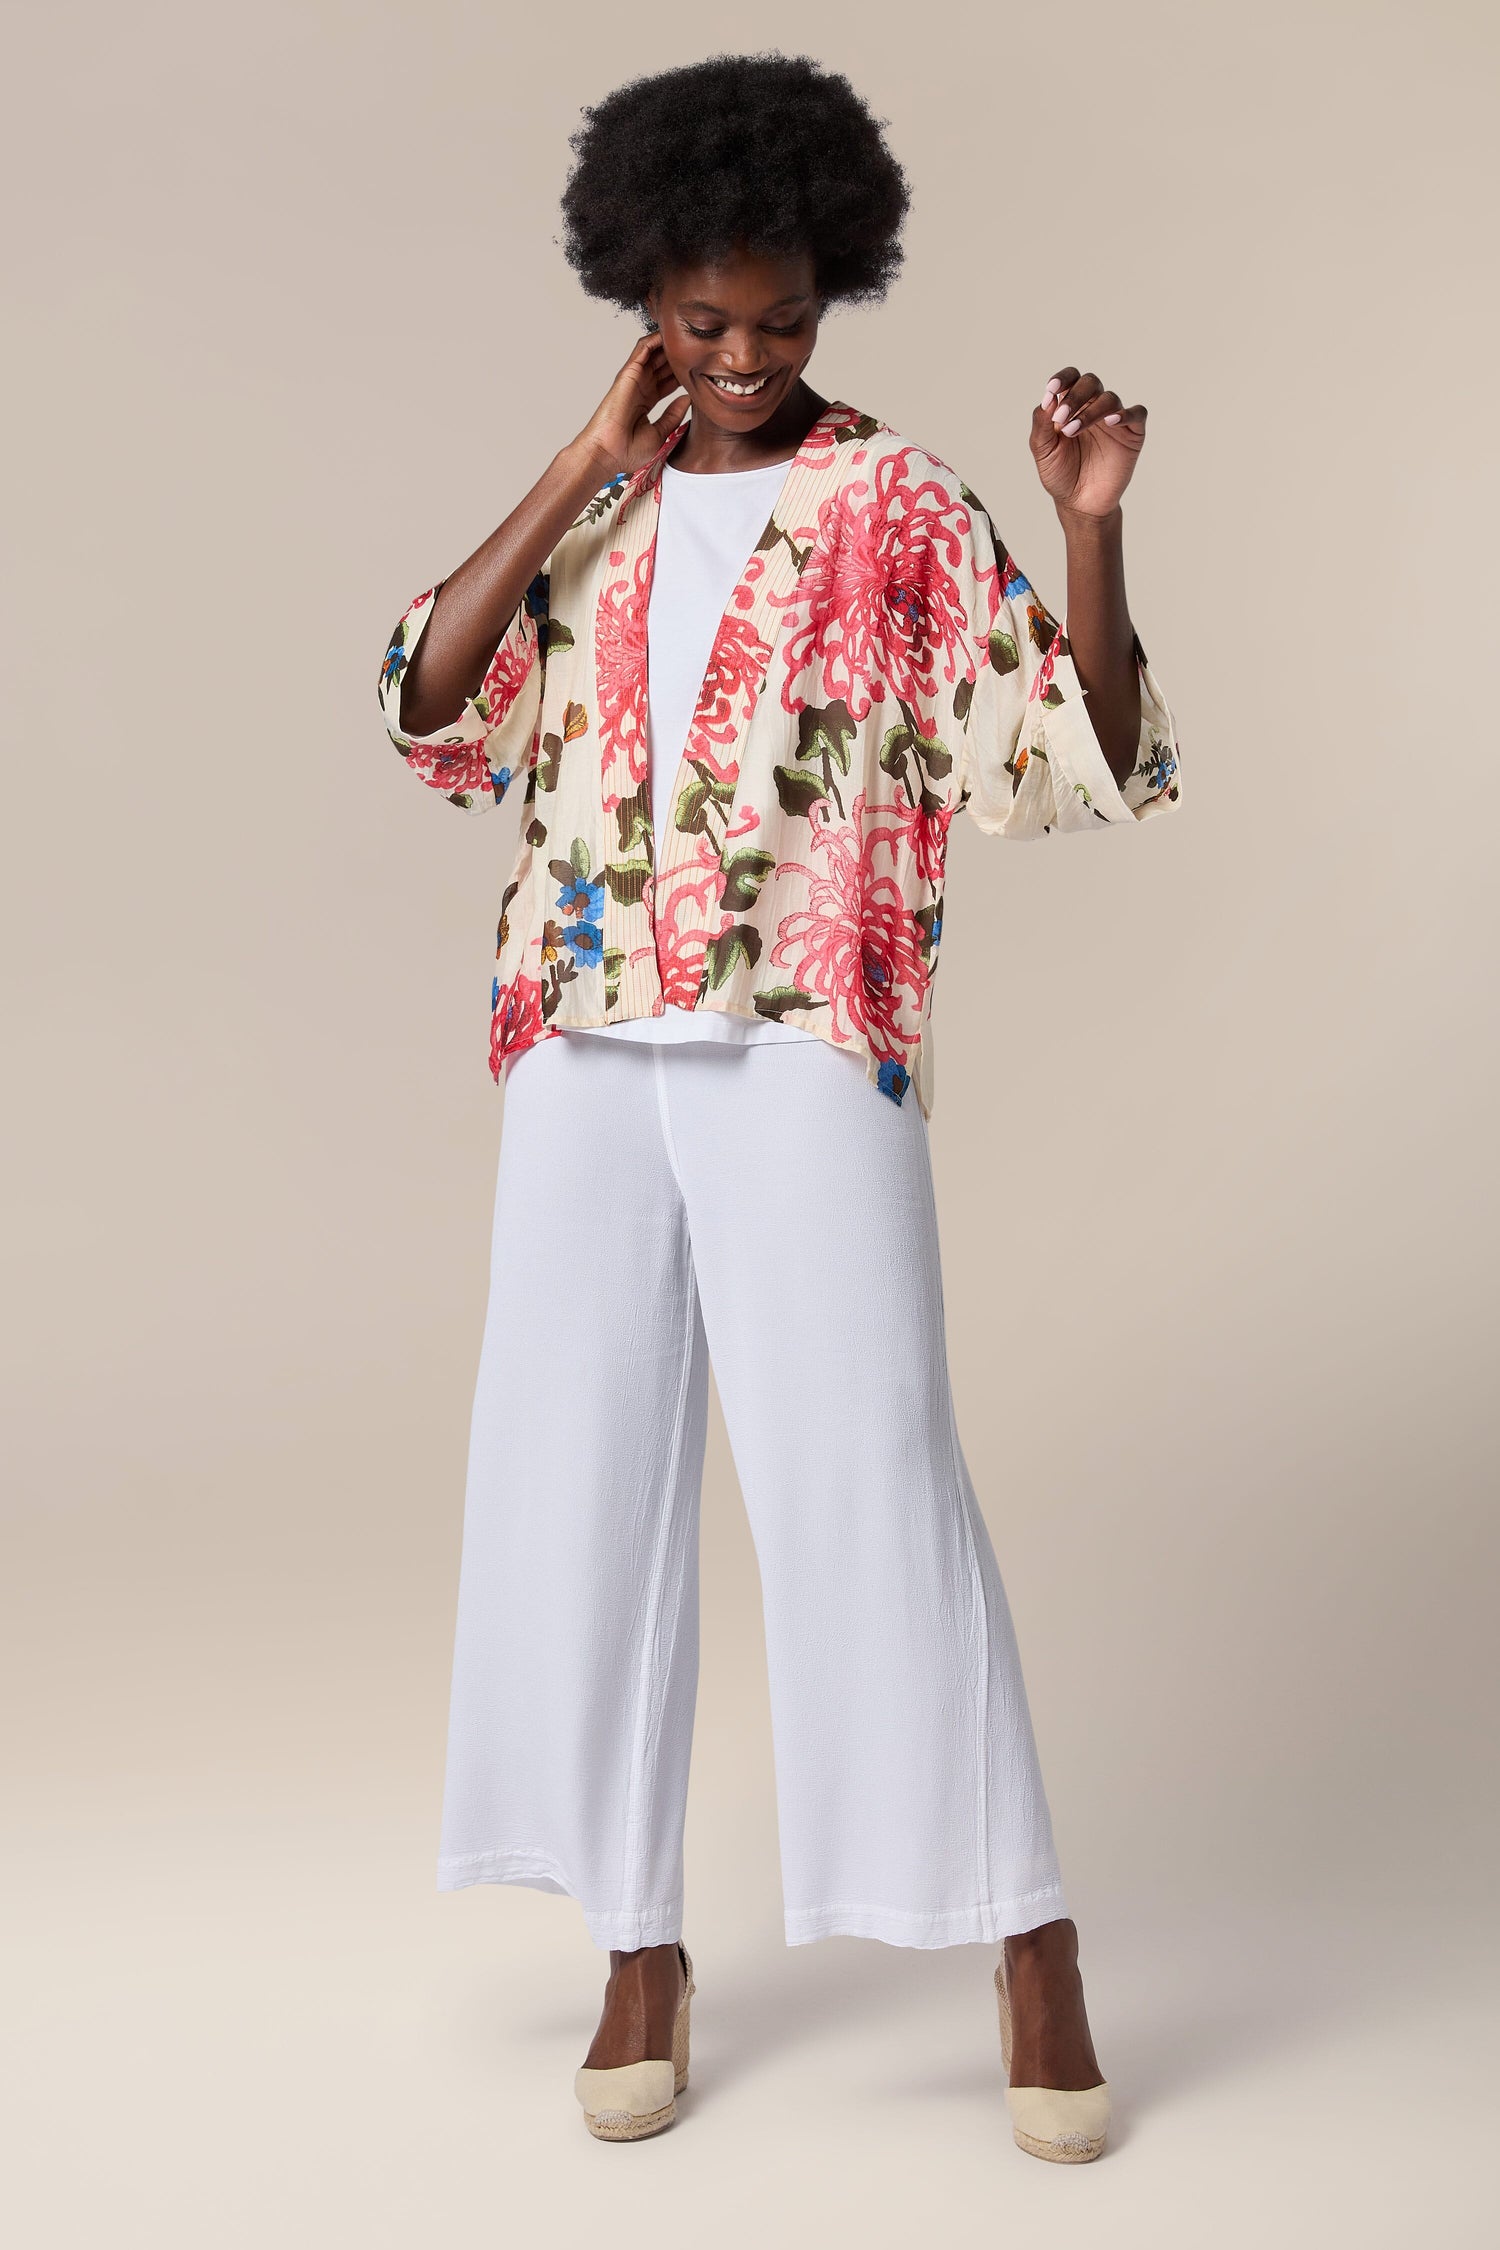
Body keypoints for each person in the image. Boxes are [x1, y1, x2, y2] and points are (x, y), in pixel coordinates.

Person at [376, 52, 1181, 2160]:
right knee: (572, 1480)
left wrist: (1090, 542)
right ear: (640, 292)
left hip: (808, 1030)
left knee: (870, 1473)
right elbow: (428, 699)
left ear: (834, 292)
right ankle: (637, 1943)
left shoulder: (897, 503)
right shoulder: (611, 496)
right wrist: (577, 457)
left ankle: (1027, 1936)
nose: (740, 359)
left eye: (779, 322)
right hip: (575, 1039)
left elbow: (1061, 753)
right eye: (700, 321)